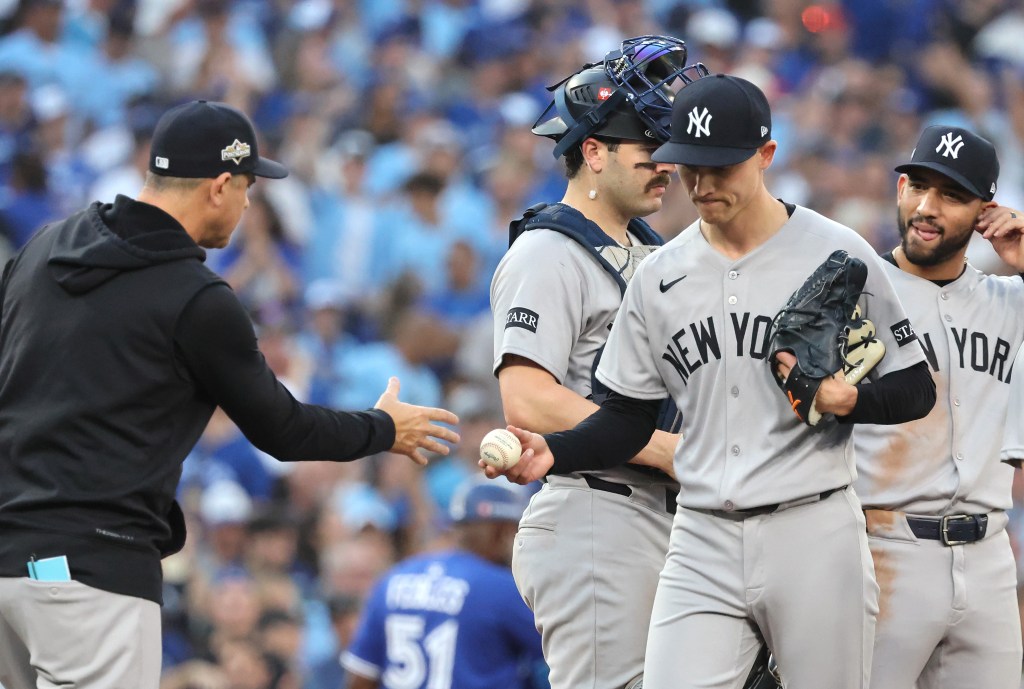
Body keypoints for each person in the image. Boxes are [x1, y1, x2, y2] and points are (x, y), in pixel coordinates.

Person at [485, 74, 937, 689]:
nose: (700, 184)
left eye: (719, 167)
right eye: (690, 166)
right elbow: (626, 417)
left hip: (811, 524)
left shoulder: (835, 250)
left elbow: (916, 388)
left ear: (765, 155)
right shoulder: (661, 272)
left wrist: (848, 398)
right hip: (700, 534)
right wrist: (556, 450)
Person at [0, 100, 459, 689]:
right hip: (92, 571)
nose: (247, 205)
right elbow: (285, 431)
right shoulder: (196, 298)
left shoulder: (43, 248)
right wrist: (384, 427)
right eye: (246, 188)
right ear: (219, 186)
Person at [489, 35, 703, 689]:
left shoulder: (650, 249)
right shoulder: (549, 251)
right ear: (593, 152)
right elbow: (527, 399)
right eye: (647, 151)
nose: (664, 167)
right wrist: (665, 449)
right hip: (597, 512)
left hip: (661, 517)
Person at [852, 125, 1024, 689]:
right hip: (882, 548)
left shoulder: (1010, 302)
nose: (927, 207)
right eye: (918, 186)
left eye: (951, 195)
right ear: (900, 188)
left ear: (984, 213)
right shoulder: (855, 292)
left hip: (989, 557)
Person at [340, 479, 545, 689]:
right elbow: (558, 652)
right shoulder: (501, 587)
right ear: (504, 531)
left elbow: (360, 678)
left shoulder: (394, 578)